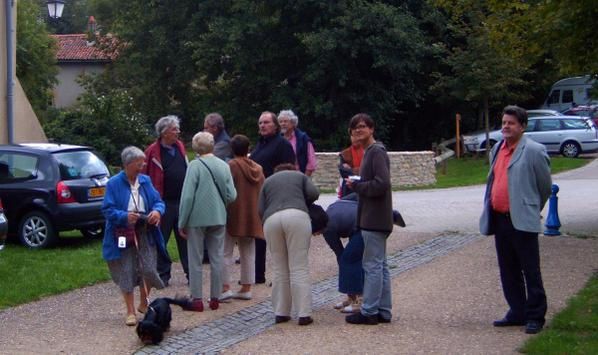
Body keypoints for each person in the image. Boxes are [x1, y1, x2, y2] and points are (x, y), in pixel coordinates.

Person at [480, 105, 552, 334]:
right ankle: (517, 311)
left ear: (522, 126)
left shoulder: (534, 150)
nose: (505, 127)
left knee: (530, 269)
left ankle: (535, 316)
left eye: (510, 123)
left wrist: (530, 208)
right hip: (500, 219)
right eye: (503, 123)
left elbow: (544, 187)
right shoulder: (498, 149)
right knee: (508, 270)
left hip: (522, 219)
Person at [102, 146, 166, 326]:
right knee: (126, 270)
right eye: (139, 163)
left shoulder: (145, 181)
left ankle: (144, 303)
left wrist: (157, 212)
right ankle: (130, 311)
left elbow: (158, 202)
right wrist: (124, 216)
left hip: (145, 230)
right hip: (123, 232)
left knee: (149, 268)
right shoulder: (113, 183)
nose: (143, 166)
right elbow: (107, 209)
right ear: (129, 164)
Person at [344, 113, 394, 325]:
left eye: (363, 127)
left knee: (372, 265)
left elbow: (382, 184)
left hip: (375, 218)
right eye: (355, 127)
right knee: (380, 265)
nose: (358, 130)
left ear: (372, 129)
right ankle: (383, 310)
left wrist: (357, 186)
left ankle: (369, 311)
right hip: (375, 217)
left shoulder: (376, 152)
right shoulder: (370, 153)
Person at [178, 132, 237, 312]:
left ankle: (197, 298)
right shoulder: (223, 165)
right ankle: (215, 297)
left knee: (195, 259)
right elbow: (232, 195)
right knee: (216, 257)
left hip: (197, 218)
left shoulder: (194, 166)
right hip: (218, 216)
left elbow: (187, 197)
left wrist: (182, 221)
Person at [258, 163, 319, 326]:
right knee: (299, 266)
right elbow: (314, 193)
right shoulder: (300, 176)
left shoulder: (268, 181)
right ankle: (304, 314)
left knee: (279, 267)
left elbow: (260, 208)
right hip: (297, 215)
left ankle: (281, 312)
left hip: (271, 219)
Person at [250, 111, 296, 284]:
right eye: (260, 123)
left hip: (277, 195)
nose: (262, 125)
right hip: (260, 194)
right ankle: (258, 274)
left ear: (275, 125)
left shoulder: (282, 144)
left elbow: (288, 169)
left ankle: (283, 275)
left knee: (278, 236)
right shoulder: (260, 144)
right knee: (260, 235)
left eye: (266, 122)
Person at [143, 115, 189, 286]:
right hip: (162, 203)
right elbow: (144, 177)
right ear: (164, 133)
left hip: (182, 201)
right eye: (174, 129)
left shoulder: (180, 147)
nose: (178, 132)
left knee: (185, 238)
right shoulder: (151, 152)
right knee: (160, 240)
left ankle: (190, 273)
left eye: (177, 128)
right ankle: (163, 275)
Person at [220, 135, 265, 301]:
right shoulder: (258, 169)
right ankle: (246, 288)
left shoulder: (230, 166)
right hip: (252, 216)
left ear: (232, 149)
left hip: (233, 214)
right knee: (248, 252)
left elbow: (225, 190)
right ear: (248, 149)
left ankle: (225, 287)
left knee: (225, 251)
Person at [278, 109, 317, 176]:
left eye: (285, 121)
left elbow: (311, 161)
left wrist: (304, 178)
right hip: (280, 176)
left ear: (293, 123)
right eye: (280, 122)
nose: (283, 124)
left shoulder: (303, 138)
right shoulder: (277, 139)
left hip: (298, 175)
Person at [338, 133, 364, 198]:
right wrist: (360, 170)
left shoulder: (367, 151)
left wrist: (352, 169)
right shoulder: (345, 153)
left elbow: (369, 170)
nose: (354, 138)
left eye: (356, 136)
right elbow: (343, 171)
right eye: (352, 136)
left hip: (364, 184)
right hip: (349, 186)